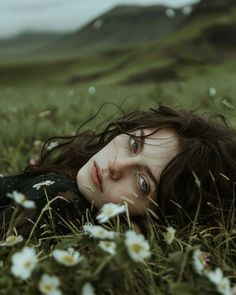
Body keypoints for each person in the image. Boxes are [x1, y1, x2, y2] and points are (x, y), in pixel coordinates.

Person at [0, 104, 235, 238]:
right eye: (134, 144)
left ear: (158, 218)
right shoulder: (68, 193)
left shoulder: (59, 203)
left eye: (143, 183)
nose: (116, 166)